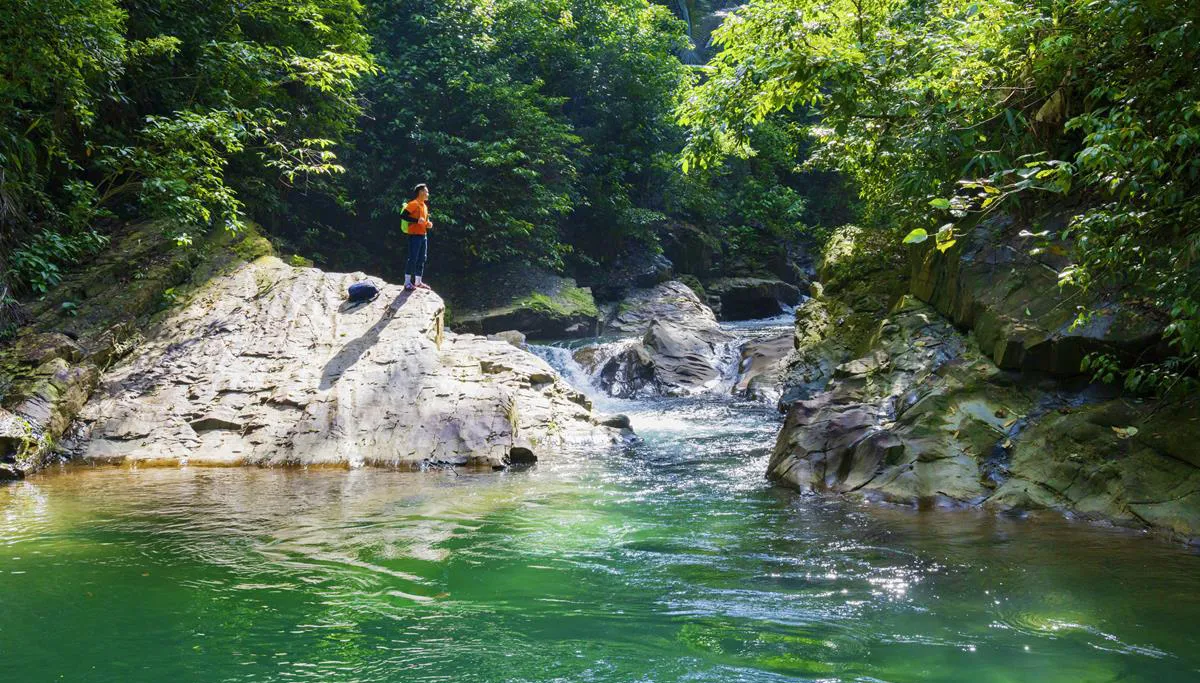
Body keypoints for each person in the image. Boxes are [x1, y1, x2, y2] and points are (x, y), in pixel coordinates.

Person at [401, 184, 433, 291]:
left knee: (422, 258)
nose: (428, 194)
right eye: (426, 192)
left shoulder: (424, 206)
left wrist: (428, 224)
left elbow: (423, 221)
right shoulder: (413, 204)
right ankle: (407, 283)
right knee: (412, 258)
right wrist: (416, 221)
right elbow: (403, 216)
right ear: (421, 192)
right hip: (414, 235)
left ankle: (418, 282)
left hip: (423, 235)